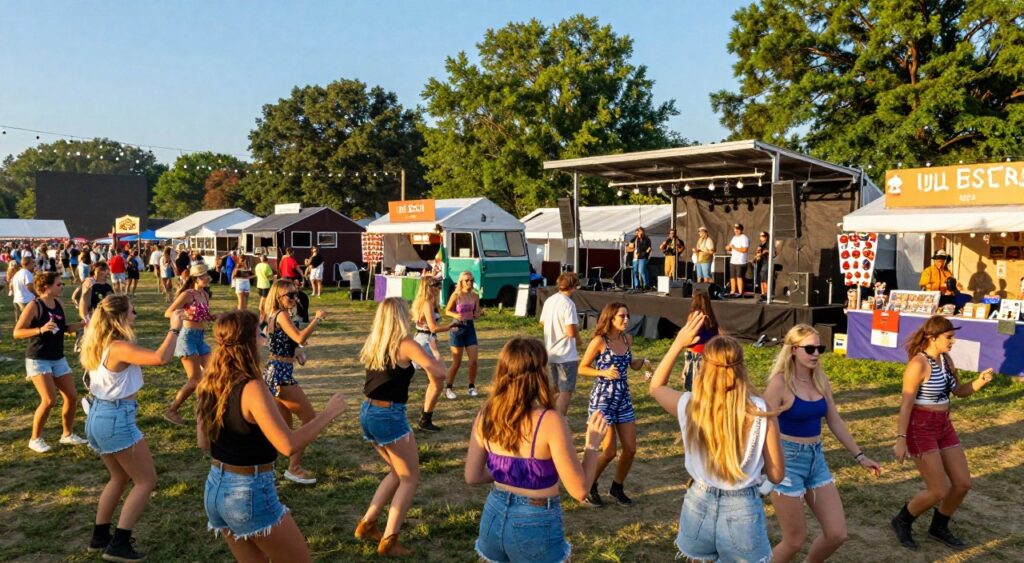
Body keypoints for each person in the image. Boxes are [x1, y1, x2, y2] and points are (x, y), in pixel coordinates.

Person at [196, 310, 347, 563]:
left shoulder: (210, 381)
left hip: (215, 489)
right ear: (247, 342)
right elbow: (288, 445)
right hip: (247, 492)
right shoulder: (252, 387)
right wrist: (328, 414)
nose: (264, 339)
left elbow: (203, 442)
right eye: (259, 333)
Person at [465, 338, 609, 563]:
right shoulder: (550, 420)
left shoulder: (486, 414)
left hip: (493, 514)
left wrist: (511, 471)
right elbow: (580, 490)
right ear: (540, 373)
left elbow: (472, 476)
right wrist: (592, 444)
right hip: (535, 521)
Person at [649, 329, 785, 563]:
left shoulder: (690, 405)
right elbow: (777, 473)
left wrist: (678, 344)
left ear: (705, 367)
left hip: (698, 501)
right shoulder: (760, 410)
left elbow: (655, 387)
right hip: (742, 506)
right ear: (741, 368)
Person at [764, 324, 883, 562]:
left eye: (820, 348)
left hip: (816, 459)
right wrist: (764, 465)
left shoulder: (820, 379)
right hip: (787, 462)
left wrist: (860, 456)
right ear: (793, 350)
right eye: (810, 348)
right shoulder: (779, 383)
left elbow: (835, 420)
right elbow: (762, 425)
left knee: (837, 534)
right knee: (794, 542)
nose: (816, 353)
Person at [80, 296, 183, 561]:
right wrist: (174, 328)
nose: (135, 314)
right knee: (146, 481)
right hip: (115, 418)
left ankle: (99, 536)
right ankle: (119, 544)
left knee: (119, 477)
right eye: (131, 311)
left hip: (99, 415)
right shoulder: (118, 347)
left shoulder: (98, 342)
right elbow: (161, 358)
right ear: (120, 317)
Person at [890, 316, 995, 551]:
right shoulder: (918, 364)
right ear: (932, 337)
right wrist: (901, 439)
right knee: (938, 490)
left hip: (943, 425)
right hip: (921, 427)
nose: (953, 341)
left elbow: (958, 391)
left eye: (952, 337)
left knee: (962, 483)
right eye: (949, 337)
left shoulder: (946, 360)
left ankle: (938, 527)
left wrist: (979, 382)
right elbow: (906, 405)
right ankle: (902, 521)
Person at [354, 297, 447, 556]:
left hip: (368, 411)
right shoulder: (405, 343)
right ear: (400, 317)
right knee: (409, 478)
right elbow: (439, 373)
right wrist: (434, 354)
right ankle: (389, 540)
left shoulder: (376, 342)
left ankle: (367, 523)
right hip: (389, 415)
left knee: (396, 472)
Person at [576, 302, 651, 506]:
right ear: (611, 318)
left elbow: (629, 364)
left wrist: (641, 363)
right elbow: (582, 368)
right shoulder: (600, 341)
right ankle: (589, 484)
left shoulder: (628, 339)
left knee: (631, 448)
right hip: (603, 399)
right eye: (622, 316)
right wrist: (602, 372)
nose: (626, 320)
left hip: (623, 397)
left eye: (627, 316)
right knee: (609, 451)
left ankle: (617, 487)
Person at [261, 279, 328, 485]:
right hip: (281, 375)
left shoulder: (274, 315)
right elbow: (299, 337)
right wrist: (317, 319)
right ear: (278, 297)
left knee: (284, 426)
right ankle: (294, 467)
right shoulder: (280, 315)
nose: (294, 298)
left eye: (295, 294)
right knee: (310, 420)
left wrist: (296, 352)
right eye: (289, 295)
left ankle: (266, 466)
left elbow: (280, 341)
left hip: (275, 371)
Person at [13, 271, 88, 453]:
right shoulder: (34, 305)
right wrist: (40, 329)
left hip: (57, 357)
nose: (62, 286)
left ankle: (67, 434)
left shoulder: (58, 303)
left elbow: (64, 328)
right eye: (59, 284)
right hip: (38, 358)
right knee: (48, 400)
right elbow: (17, 332)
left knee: (71, 396)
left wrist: (83, 324)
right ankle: (35, 438)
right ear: (46, 287)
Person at [163, 263, 215, 426]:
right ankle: (172, 410)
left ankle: (208, 410)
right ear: (195, 278)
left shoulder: (204, 294)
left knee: (213, 374)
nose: (207, 278)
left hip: (199, 337)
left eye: (207, 275)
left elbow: (204, 316)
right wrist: (186, 314)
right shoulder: (188, 294)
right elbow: (168, 313)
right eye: (203, 275)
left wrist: (213, 317)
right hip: (187, 337)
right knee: (194, 380)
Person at [410, 276, 449, 432]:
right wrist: (450, 326)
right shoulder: (426, 303)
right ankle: (425, 419)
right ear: (428, 287)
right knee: (438, 379)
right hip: (425, 342)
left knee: (436, 383)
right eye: (436, 285)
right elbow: (432, 327)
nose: (439, 288)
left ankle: (425, 418)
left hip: (427, 341)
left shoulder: (430, 303)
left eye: (439, 285)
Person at [539, 271, 582, 415]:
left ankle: (548, 417)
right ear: (574, 287)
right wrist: (579, 340)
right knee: (566, 391)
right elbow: (570, 331)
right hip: (566, 354)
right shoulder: (569, 304)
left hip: (550, 352)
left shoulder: (549, 300)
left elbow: (542, 322)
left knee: (554, 389)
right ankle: (559, 421)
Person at [444, 270, 482, 399]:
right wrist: (456, 315)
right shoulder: (456, 295)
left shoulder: (475, 296)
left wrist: (479, 313)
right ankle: (448, 387)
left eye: (471, 280)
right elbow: (447, 311)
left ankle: (471, 386)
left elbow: (476, 312)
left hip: (470, 328)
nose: (469, 282)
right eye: (467, 280)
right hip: (457, 328)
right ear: (461, 282)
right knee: (457, 362)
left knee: (474, 361)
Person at [681, 290, 720, 391]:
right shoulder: (711, 316)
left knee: (693, 384)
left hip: (695, 353)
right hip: (709, 353)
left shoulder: (693, 316)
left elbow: (689, 334)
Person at [724, 223, 750, 298]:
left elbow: (745, 249)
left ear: (741, 230)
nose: (736, 230)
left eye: (738, 229)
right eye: (735, 229)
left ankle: (740, 292)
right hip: (733, 260)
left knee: (739, 277)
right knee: (732, 277)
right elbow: (729, 247)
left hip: (740, 261)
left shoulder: (744, 238)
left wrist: (734, 248)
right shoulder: (734, 237)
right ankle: (732, 291)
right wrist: (728, 247)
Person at [10, 256, 36, 322]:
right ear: (28, 264)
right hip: (26, 301)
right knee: (27, 321)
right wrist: (37, 294)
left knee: (19, 322)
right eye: (33, 262)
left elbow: (12, 286)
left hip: (16, 300)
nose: (34, 264)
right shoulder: (27, 273)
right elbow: (29, 286)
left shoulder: (17, 273)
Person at [754, 231, 771, 298]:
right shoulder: (760, 245)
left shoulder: (769, 244)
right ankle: (763, 293)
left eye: (763, 235)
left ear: (766, 237)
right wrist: (757, 254)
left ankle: (767, 293)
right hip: (760, 263)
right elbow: (757, 253)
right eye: (760, 236)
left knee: (765, 278)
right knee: (762, 278)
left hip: (766, 262)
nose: (761, 237)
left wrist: (766, 251)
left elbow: (773, 252)